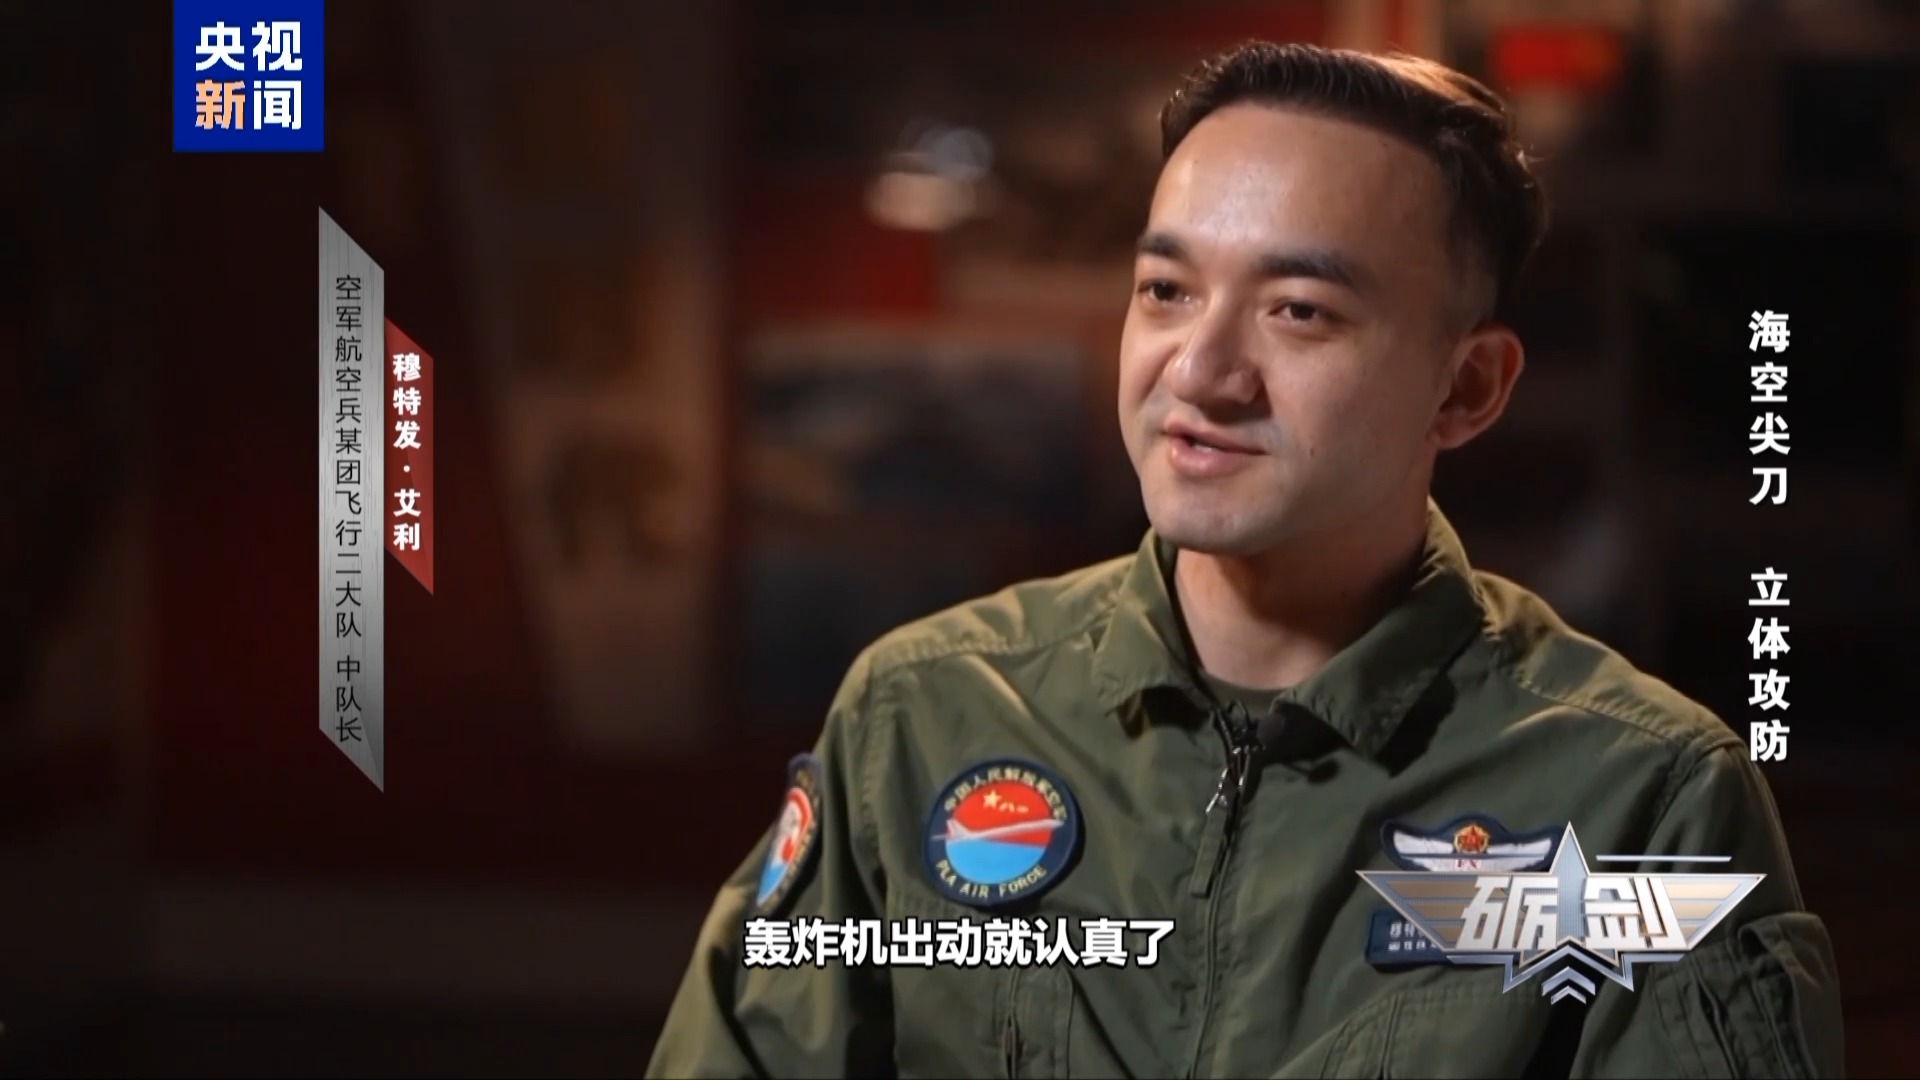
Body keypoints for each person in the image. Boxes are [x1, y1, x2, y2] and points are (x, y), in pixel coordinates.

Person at [649, 42, 1844, 1078]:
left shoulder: (1640, 802)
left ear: (1467, 387)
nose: (1201, 372)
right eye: (1166, 290)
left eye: (1299, 310)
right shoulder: (924, 716)